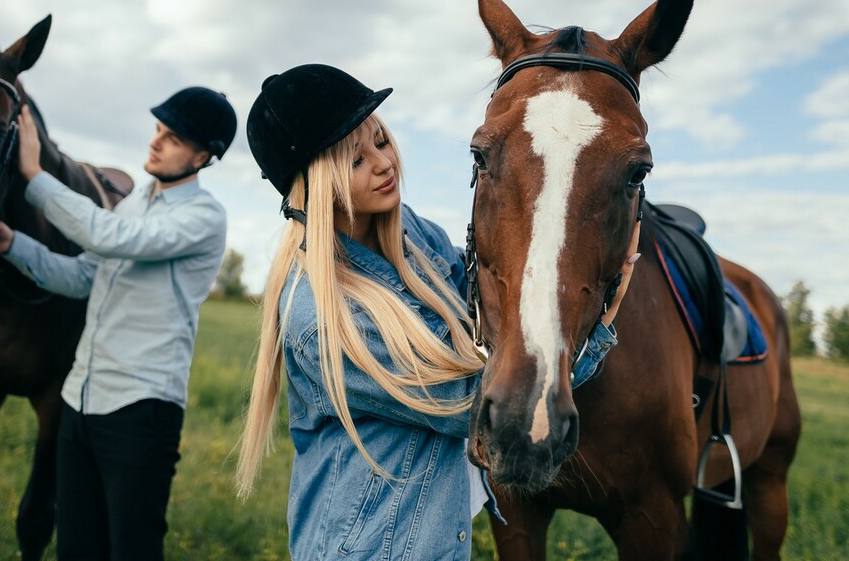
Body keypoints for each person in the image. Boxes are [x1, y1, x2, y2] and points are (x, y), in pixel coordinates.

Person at [235, 64, 639, 559]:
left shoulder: (413, 235)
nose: (384, 164)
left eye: (381, 141)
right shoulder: (320, 315)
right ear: (316, 185)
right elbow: (469, 404)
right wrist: (595, 334)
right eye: (356, 160)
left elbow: (479, 309)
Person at [0, 87, 235, 560]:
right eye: (157, 130)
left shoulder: (204, 217)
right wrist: (13, 244)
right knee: (75, 549)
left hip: (140, 412)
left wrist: (35, 175)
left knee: (131, 551)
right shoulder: (133, 205)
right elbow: (79, 277)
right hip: (79, 403)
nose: (155, 142)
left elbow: (106, 236)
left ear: (203, 156)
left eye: (171, 137)